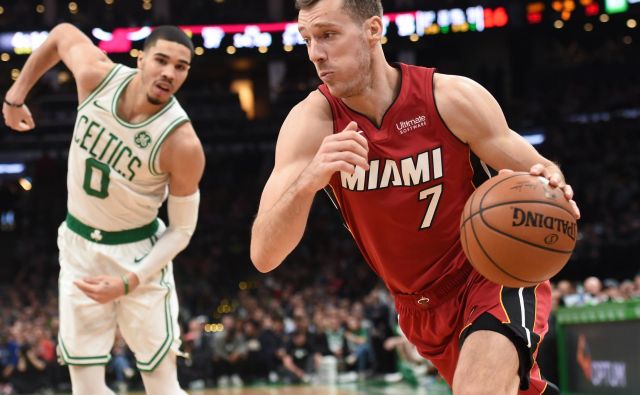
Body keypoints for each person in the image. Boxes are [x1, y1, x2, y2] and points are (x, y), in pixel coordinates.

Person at [250, 0, 581, 394]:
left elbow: (540, 170)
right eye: (307, 40)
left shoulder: (449, 98)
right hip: (418, 306)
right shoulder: (311, 124)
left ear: (373, 30)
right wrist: (309, 180)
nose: (315, 53)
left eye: (327, 35)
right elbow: (264, 254)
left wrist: (553, 186)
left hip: (491, 269)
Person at [3, 24, 204, 395]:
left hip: (138, 256)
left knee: (162, 386)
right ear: (140, 59)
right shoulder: (97, 77)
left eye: (181, 67)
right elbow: (63, 34)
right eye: (161, 60)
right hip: (80, 247)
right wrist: (15, 96)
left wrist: (130, 280)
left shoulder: (182, 143)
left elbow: (181, 230)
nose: (168, 73)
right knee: (86, 389)